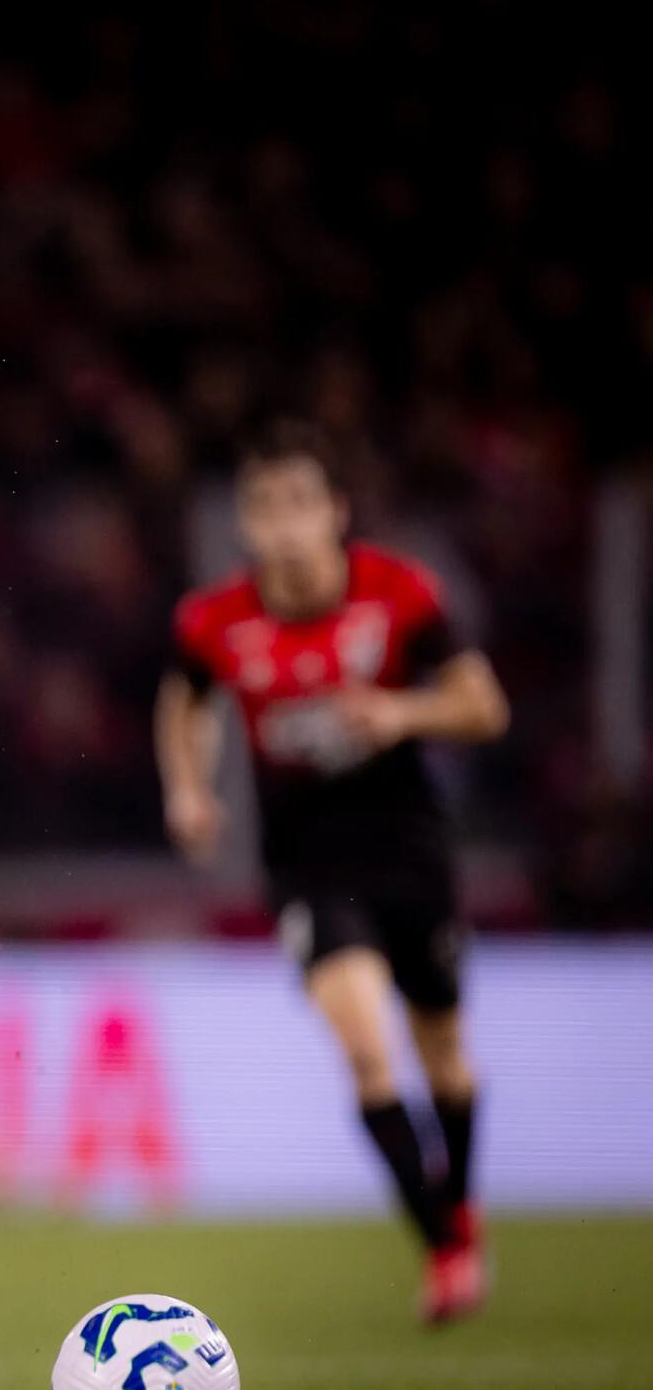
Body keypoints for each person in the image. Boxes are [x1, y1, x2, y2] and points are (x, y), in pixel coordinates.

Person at [155, 420, 508, 1323]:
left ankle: (460, 1209)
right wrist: (188, 788)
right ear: (246, 522)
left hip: (411, 849)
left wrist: (400, 713)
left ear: (335, 513)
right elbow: (185, 698)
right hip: (310, 865)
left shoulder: (398, 593)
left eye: (300, 504)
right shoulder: (216, 619)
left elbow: (483, 706)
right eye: (265, 508)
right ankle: (444, 1248)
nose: (285, 527)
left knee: (445, 1055)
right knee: (364, 1049)